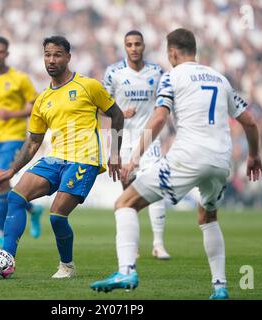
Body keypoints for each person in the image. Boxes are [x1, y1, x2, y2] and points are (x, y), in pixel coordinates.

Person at [90, 28, 262, 299]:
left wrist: (133, 158)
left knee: (124, 203)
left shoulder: (171, 76)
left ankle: (126, 270)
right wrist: (254, 155)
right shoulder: (220, 78)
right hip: (220, 161)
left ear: (172, 51)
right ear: (195, 49)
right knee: (208, 217)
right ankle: (220, 287)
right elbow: (250, 122)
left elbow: (159, 119)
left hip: (188, 157)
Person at [0, 36, 124, 278]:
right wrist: (13, 170)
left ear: (68, 57)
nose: (51, 60)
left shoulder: (89, 86)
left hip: (84, 159)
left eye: (57, 55)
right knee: (16, 197)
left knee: (57, 215)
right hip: (55, 158)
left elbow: (117, 116)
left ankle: (67, 266)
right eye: (47, 55)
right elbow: (34, 141)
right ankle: (5, 259)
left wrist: (115, 153)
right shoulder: (43, 99)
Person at [102, 30, 171, 260]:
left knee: (156, 188)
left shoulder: (157, 72)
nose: (133, 48)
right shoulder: (113, 73)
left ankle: (159, 244)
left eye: (137, 44)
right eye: (129, 44)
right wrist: (120, 114)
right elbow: (101, 109)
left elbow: (164, 105)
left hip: (149, 139)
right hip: (122, 140)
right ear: (125, 47)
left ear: (144, 46)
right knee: (128, 194)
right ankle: (133, 245)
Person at [0, 36, 44, 248]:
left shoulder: (19, 79)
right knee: (4, 184)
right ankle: (33, 210)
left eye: (1, 52)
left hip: (14, 136)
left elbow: (35, 106)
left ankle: (0, 232)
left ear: (7, 54)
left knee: (1, 182)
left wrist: (12, 113)